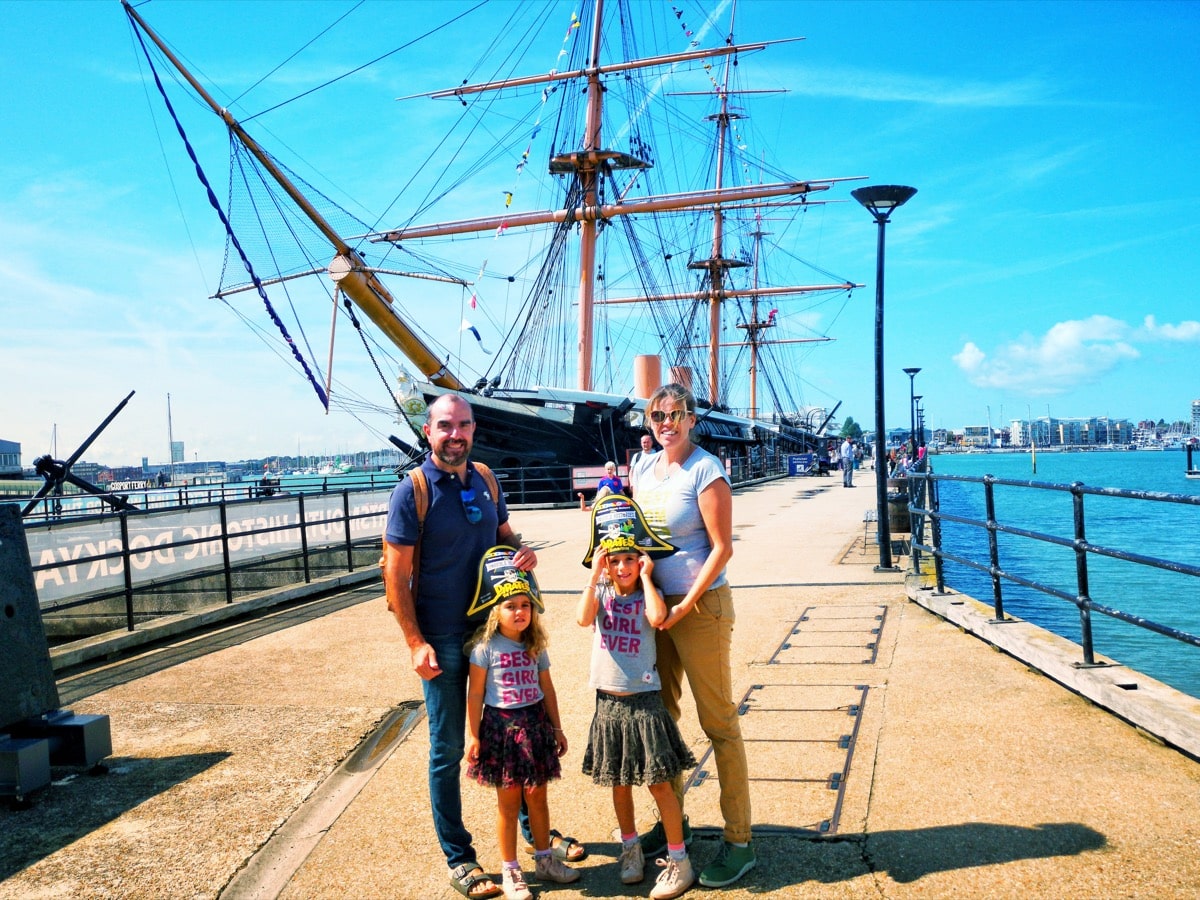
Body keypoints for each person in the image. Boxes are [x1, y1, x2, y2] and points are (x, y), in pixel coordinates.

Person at [384, 393, 553, 900]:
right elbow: (394, 574)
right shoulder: (411, 491)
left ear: (473, 429)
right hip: (441, 638)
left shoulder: (484, 478)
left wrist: (522, 553)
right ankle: (459, 856)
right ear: (428, 432)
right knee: (449, 747)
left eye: (462, 425)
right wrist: (415, 642)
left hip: (494, 633)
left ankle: (534, 838)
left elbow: (503, 536)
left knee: (517, 730)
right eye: (443, 426)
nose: (454, 434)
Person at [629, 383, 756, 888]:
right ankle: (673, 825)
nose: (667, 423)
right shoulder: (644, 469)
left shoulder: (706, 469)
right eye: (658, 415)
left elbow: (721, 549)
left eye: (676, 414)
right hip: (656, 612)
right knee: (662, 720)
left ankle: (740, 840)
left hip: (699, 610)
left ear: (691, 418)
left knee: (718, 721)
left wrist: (685, 605)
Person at [578, 546, 697, 899]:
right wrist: (593, 575)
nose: (622, 566)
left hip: (645, 703)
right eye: (614, 561)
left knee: (660, 784)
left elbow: (658, 618)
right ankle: (630, 849)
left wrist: (646, 576)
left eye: (629, 559)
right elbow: (584, 619)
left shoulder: (650, 592)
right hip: (608, 704)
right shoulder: (600, 592)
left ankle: (679, 859)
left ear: (640, 562)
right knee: (619, 782)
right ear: (606, 565)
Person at [466, 593, 579, 899]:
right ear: (495, 611)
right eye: (510, 606)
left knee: (537, 797)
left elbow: (547, 688)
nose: (519, 612)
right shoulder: (485, 649)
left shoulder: (535, 646)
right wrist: (474, 735)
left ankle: (545, 860)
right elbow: (475, 694)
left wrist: (557, 728)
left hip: (536, 726)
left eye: (525, 605)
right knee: (509, 803)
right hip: (501, 730)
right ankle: (511, 869)